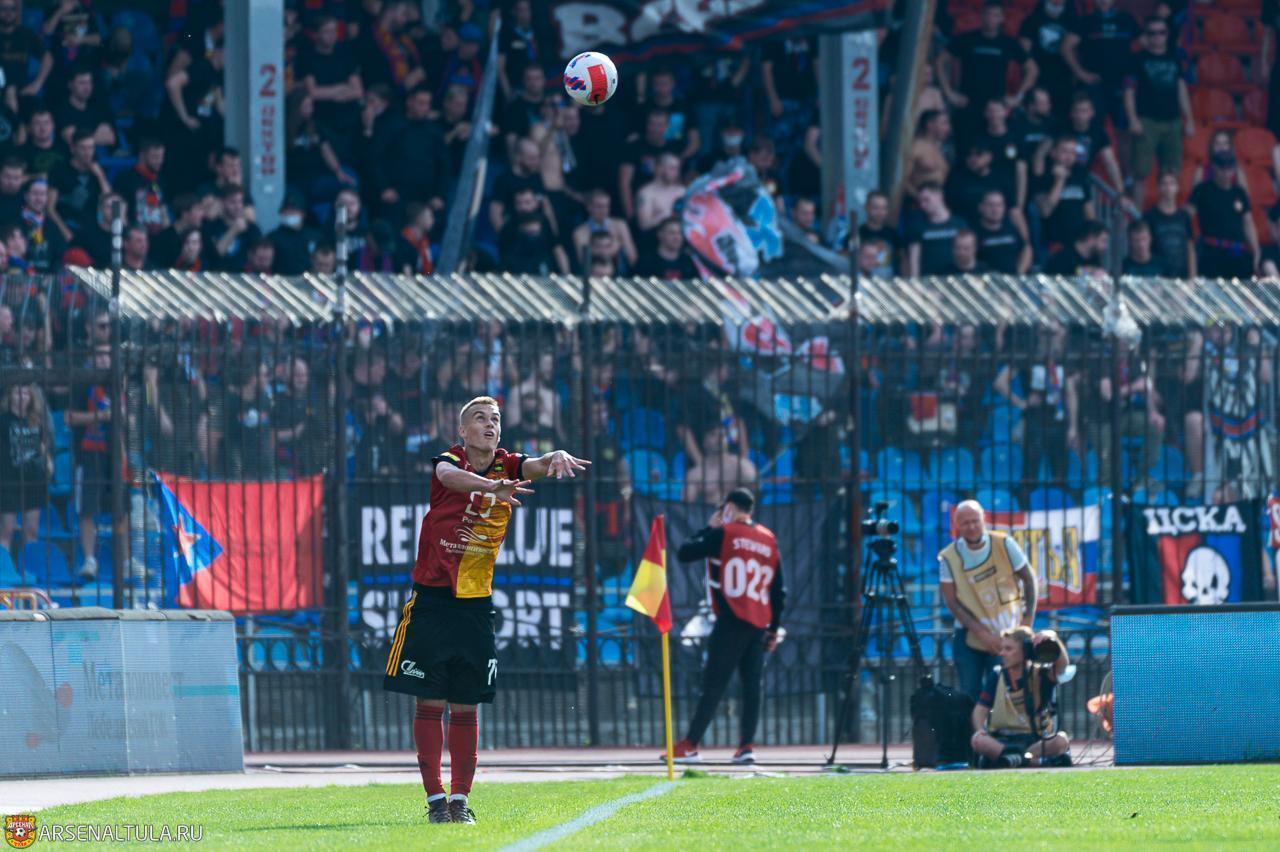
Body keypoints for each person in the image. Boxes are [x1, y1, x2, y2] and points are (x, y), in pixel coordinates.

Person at [383, 395, 589, 824]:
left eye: (495, 418)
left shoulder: (506, 463)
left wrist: (554, 455)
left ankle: (460, 800)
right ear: (463, 430)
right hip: (432, 599)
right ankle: (435, 801)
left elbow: (535, 464)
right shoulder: (451, 461)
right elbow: (447, 476)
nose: (490, 424)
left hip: (476, 603)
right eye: (480, 418)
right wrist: (489, 487)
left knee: (466, 702)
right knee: (429, 700)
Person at [667, 488, 784, 765]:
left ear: (729, 507)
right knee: (752, 685)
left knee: (714, 682)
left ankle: (690, 744)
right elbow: (779, 590)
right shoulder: (768, 538)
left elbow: (685, 552)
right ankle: (746, 746)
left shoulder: (725, 533)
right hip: (759, 621)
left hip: (732, 617)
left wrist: (709, 528)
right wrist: (773, 629)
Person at [938, 500, 1037, 701]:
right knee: (970, 697)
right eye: (965, 522)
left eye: (975, 521)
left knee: (1007, 695)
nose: (971, 526)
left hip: (1008, 635)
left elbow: (1029, 580)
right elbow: (952, 602)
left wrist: (1027, 623)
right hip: (970, 637)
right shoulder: (948, 557)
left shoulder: (1005, 544)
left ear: (984, 520)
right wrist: (982, 634)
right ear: (957, 525)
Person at [971, 625, 1072, 768]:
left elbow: (1062, 666)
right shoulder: (997, 675)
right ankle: (1033, 761)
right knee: (978, 740)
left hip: (1035, 740)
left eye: (1008, 649)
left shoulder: (1041, 673)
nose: (1002, 653)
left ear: (1025, 651)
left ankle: (1013, 759)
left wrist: (1052, 637)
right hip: (1003, 740)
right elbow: (980, 709)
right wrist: (980, 730)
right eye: (1002, 648)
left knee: (1061, 740)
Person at [1124, 17, 1194, 208]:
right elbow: (1129, 90)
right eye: (1152, 33)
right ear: (1146, 36)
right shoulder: (1137, 59)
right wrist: (1132, 119)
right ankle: (1137, 218)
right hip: (1146, 121)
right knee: (1140, 173)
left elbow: (1181, 88)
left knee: (1171, 173)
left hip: (1173, 121)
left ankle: (1168, 213)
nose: (1157, 37)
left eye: (1161, 32)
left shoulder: (1175, 58)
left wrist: (1189, 118)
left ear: (1167, 35)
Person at [0, 376, 51, 555]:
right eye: (17, 392)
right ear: (10, 396)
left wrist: (47, 462)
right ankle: (4, 566)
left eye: (25, 393)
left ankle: (28, 565)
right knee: (6, 530)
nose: (22, 397)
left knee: (32, 530)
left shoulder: (37, 420)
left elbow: (43, 445)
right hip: (9, 479)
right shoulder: (3, 420)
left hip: (34, 479)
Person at [906, 182, 967, 277]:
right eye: (920, 202)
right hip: (929, 280)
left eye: (926, 200)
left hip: (956, 278)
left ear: (939, 196)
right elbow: (914, 259)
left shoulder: (959, 224)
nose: (922, 205)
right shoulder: (917, 226)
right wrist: (915, 280)